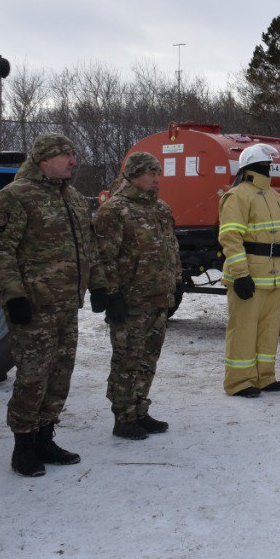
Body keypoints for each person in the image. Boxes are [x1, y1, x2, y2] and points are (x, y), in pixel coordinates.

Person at [0, 133, 109, 477]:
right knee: (32, 375)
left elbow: (89, 246)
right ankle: (23, 446)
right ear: (44, 159)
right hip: (34, 306)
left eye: (72, 154)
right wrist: (14, 295)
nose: (72, 161)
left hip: (67, 304)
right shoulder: (15, 197)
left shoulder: (71, 197)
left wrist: (97, 285)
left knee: (59, 374)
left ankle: (45, 436)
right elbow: (0, 251)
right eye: (65, 155)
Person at [93, 151, 182, 435]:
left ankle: (140, 409)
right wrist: (112, 296)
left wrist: (176, 281)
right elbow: (104, 257)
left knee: (148, 358)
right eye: (151, 173)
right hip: (130, 300)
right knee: (127, 359)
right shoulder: (115, 210)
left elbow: (172, 248)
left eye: (159, 173)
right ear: (134, 175)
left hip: (158, 297)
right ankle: (123, 416)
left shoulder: (161, 209)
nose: (158, 179)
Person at [216, 143, 280, 398]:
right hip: (250, 275)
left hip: (274, 277)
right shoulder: (238, 195)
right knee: (244, 330)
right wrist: (240, 274)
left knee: (269, 330)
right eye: (265, 165)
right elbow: (231, 237)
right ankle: (239, 381)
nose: (268, 169)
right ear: (251, 167)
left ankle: (264, 376)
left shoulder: (274, 196)